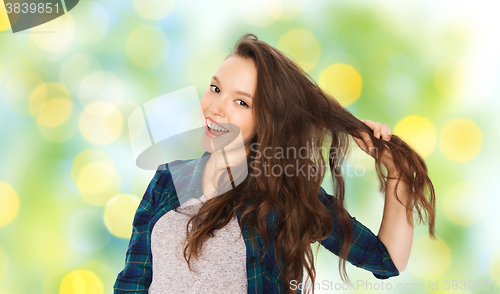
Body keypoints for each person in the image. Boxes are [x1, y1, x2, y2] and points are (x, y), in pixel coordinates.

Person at [114, 34, 436, 294]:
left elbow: (387, 260)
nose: (216, 108)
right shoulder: (167, 180)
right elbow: (133, 281)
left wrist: (398, 174)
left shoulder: (285, 197)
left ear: (266, 119)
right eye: (215, 89)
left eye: (241, 102)